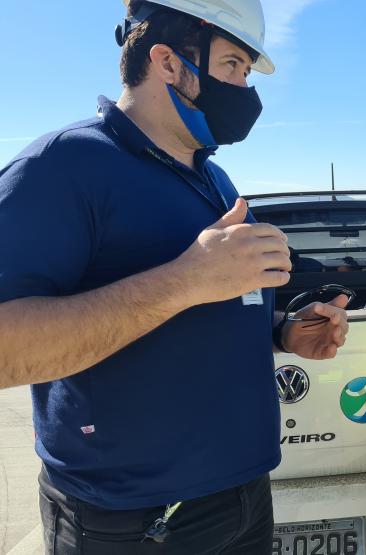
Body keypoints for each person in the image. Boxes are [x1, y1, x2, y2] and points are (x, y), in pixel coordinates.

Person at [0, 1, 348, 552]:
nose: (245, 89)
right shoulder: (62, 168)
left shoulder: (216, 180)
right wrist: (186, 280)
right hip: (129, 519)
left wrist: (283, 329)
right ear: (166, 62)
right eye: (232, 65)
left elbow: (216, 307)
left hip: (244, 495)